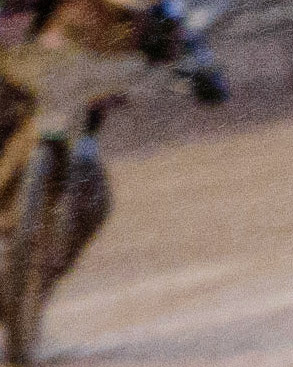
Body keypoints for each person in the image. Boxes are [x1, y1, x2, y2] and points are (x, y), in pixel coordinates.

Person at [0, 1, 224, 301]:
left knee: (93, 204)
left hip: (75, 129)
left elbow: (187, 51)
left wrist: (200, 73)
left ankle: (26, 298)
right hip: (18, 98)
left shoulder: (157, 17)